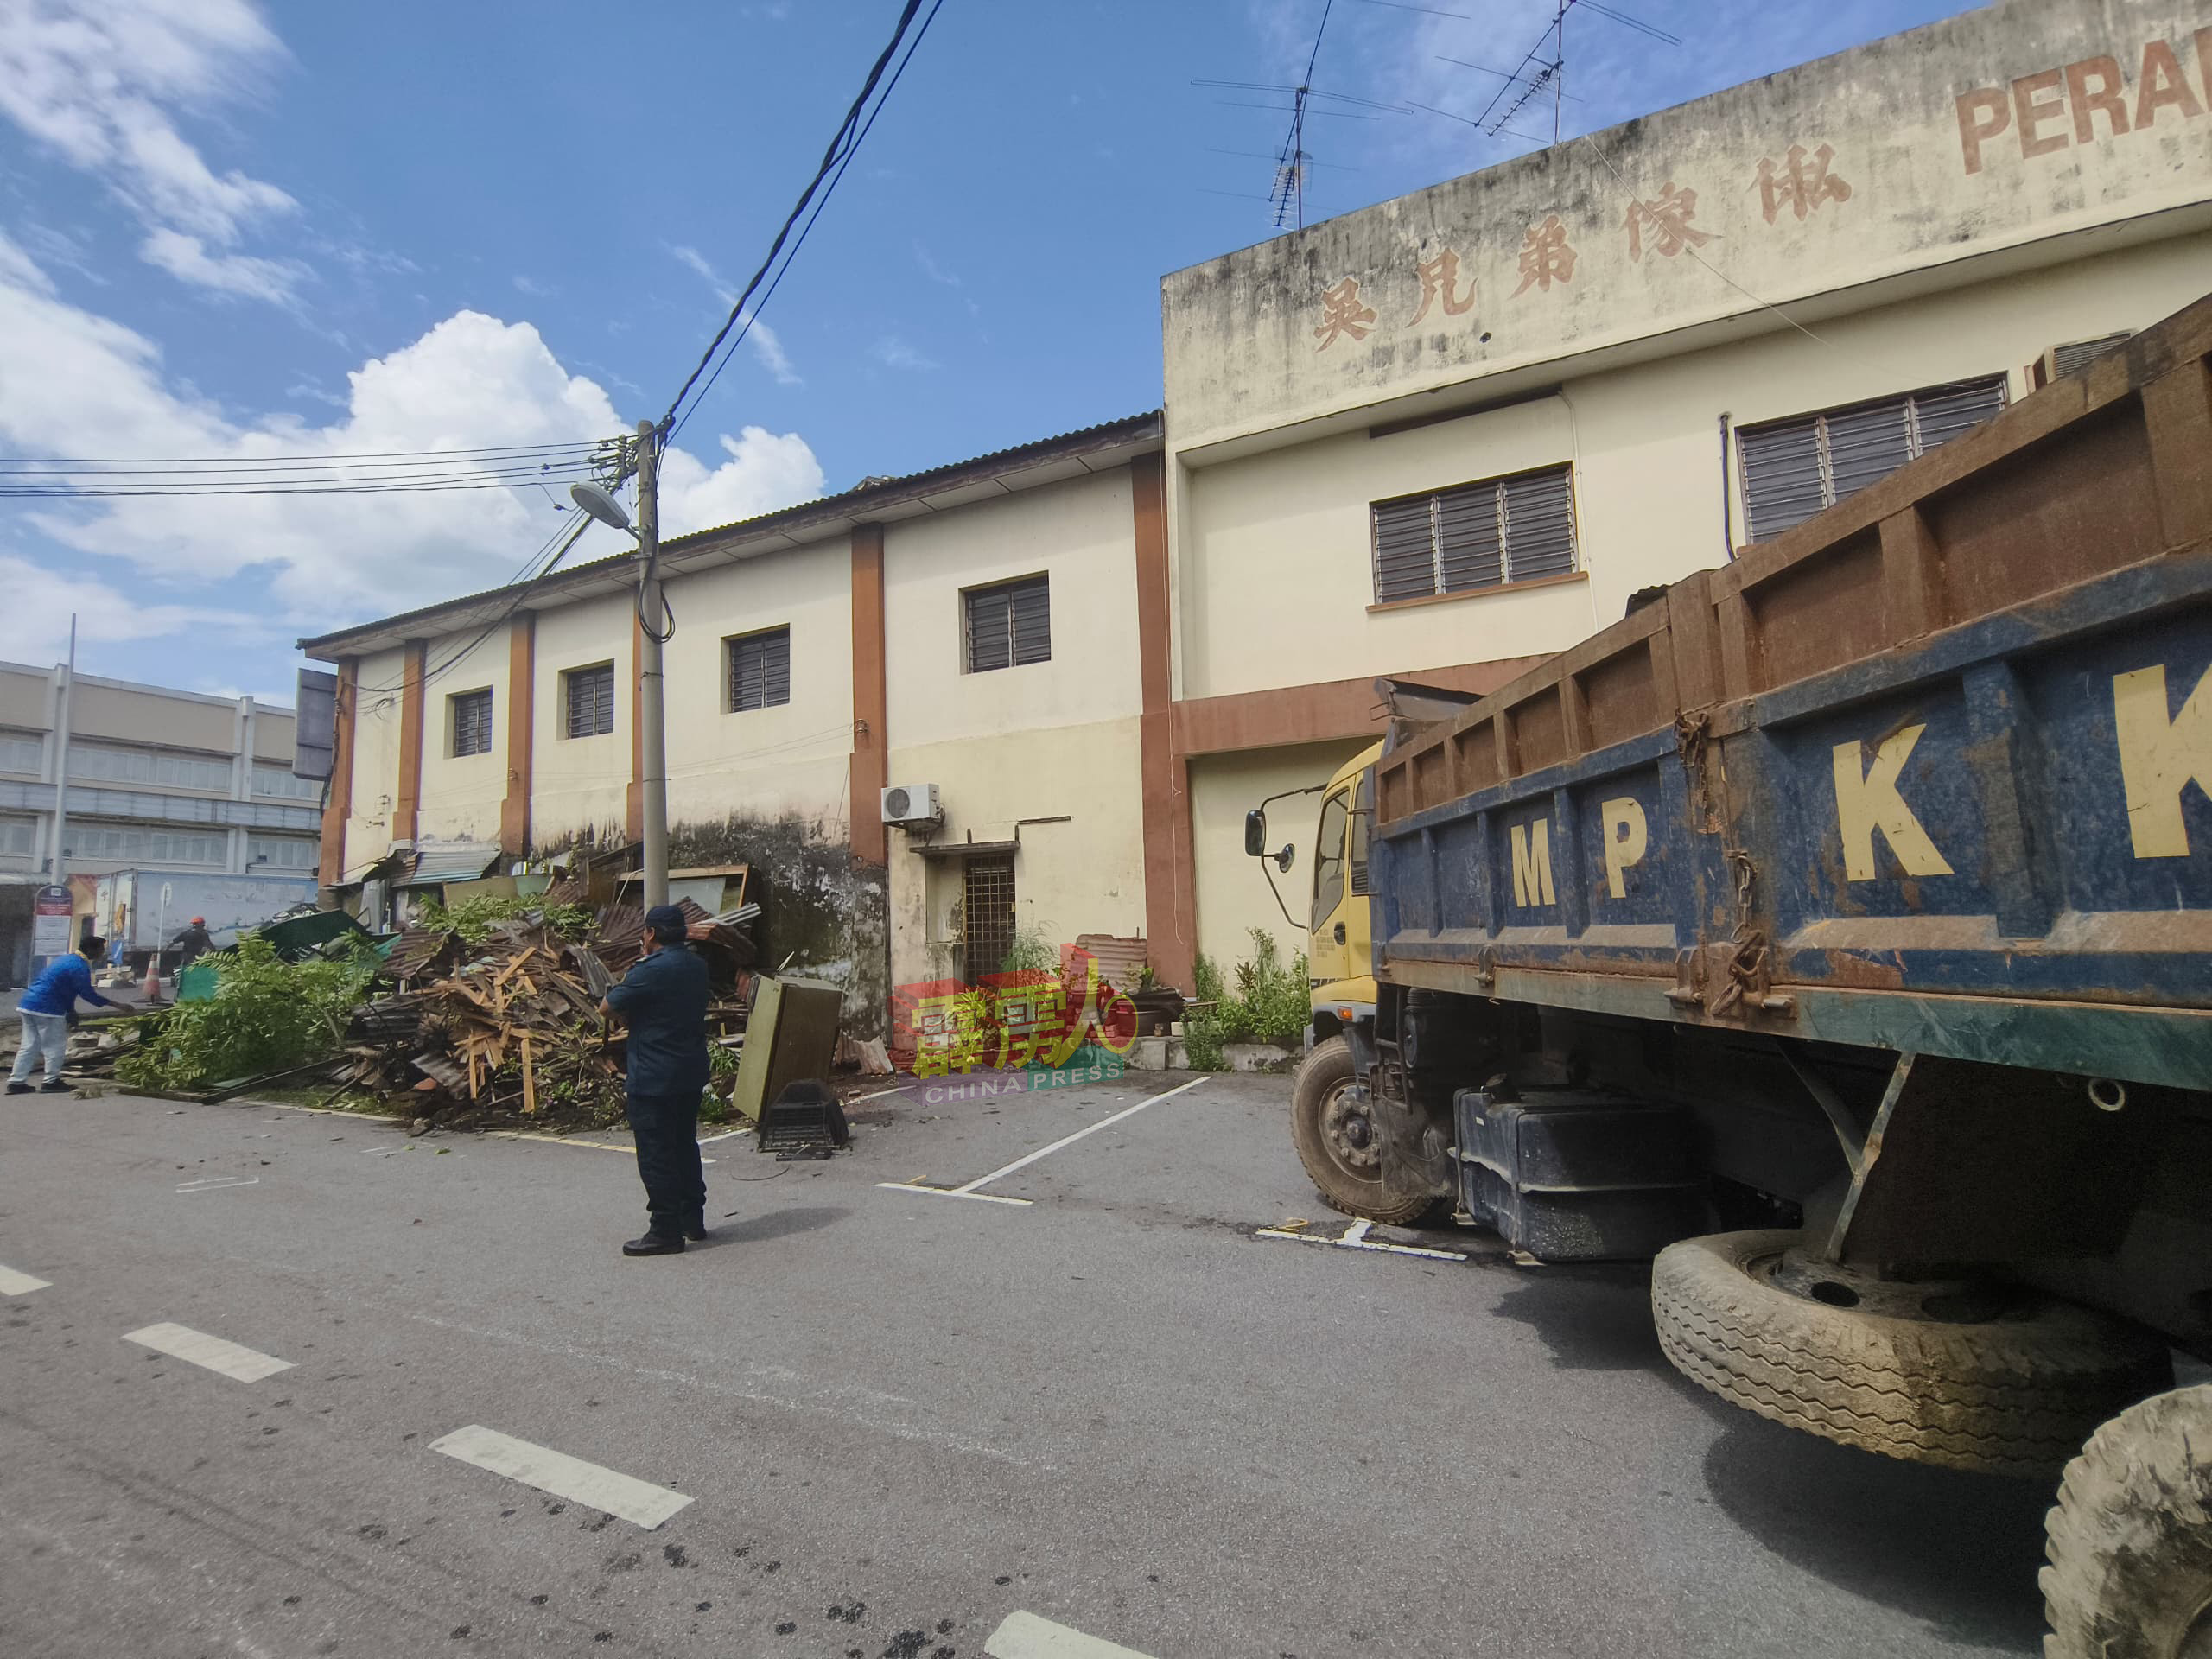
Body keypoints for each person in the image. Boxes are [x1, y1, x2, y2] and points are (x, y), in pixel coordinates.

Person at [597, 904, 709, 1256]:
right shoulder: (697, 965)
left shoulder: (650, 970)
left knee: (656, 1153)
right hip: (689, 1071)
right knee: (684, 1145)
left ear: (650, 934)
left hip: (653, 1076)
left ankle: (664, 1230)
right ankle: (692, 1219)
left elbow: (606, 1006)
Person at [10, 935, 116, 1095]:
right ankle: (51, 1081)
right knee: (54, 1046)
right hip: (48, 1008)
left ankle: (16, 1083)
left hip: (28, 1004)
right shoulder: (79, 967)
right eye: (100, 950)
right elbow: (87, 994)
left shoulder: (66, 960)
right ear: (90, 950)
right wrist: (117, 1005)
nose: (102, 953)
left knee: (29, 1046)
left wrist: (71, 1011)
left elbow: (66, 990)